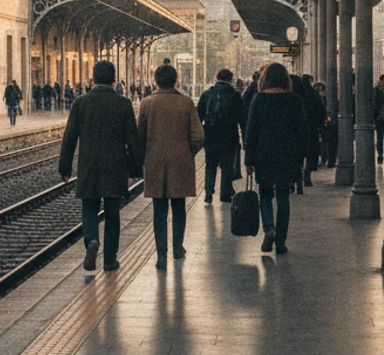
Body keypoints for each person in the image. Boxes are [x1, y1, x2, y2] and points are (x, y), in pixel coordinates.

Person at [59, 60, 142, 272]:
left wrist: (64, 168)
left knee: (89, 207)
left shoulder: (81, 103)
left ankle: (91, 240)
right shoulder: (123, 104)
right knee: (113, 212)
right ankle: (110, 260)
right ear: (113, 80)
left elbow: (69, 138)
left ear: (93, 79)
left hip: (89, 164)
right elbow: (133, 140)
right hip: (115, 165)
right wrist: (135, 168)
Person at [139, 64, 204, 270]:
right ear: (175, 80)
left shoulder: (147, 103)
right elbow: (198, 136)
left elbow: (140, 137)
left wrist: (145, 156)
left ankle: (161, 255)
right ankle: (177, 248)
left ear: (156, 80)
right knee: (178, 207)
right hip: (180, 162)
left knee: (159, 210)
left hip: (155, 161)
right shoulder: (186, 103)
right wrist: (187, 152)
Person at [244, 63, 307, 254]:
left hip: (263, 154)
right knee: (283, 196)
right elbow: (303, 131)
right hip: (287, 155)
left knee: (265, 194)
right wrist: (302, 156)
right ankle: (280, 242)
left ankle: (269, 228)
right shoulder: (294, 100)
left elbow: (251, 131)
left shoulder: (258, 99)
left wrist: (248, 160)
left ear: (265, 79)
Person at [197, 69, 246, 205]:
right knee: (227, 165)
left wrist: (199, 136)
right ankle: (225, 193)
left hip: (210, 135)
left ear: (216, 77)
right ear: (230, 79)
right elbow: (242, 119)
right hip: (229, 136)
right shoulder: (235, 95)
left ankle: (208, 192)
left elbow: (198, 116)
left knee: (210, 164)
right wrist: (245, 139)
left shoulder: (207, 94)